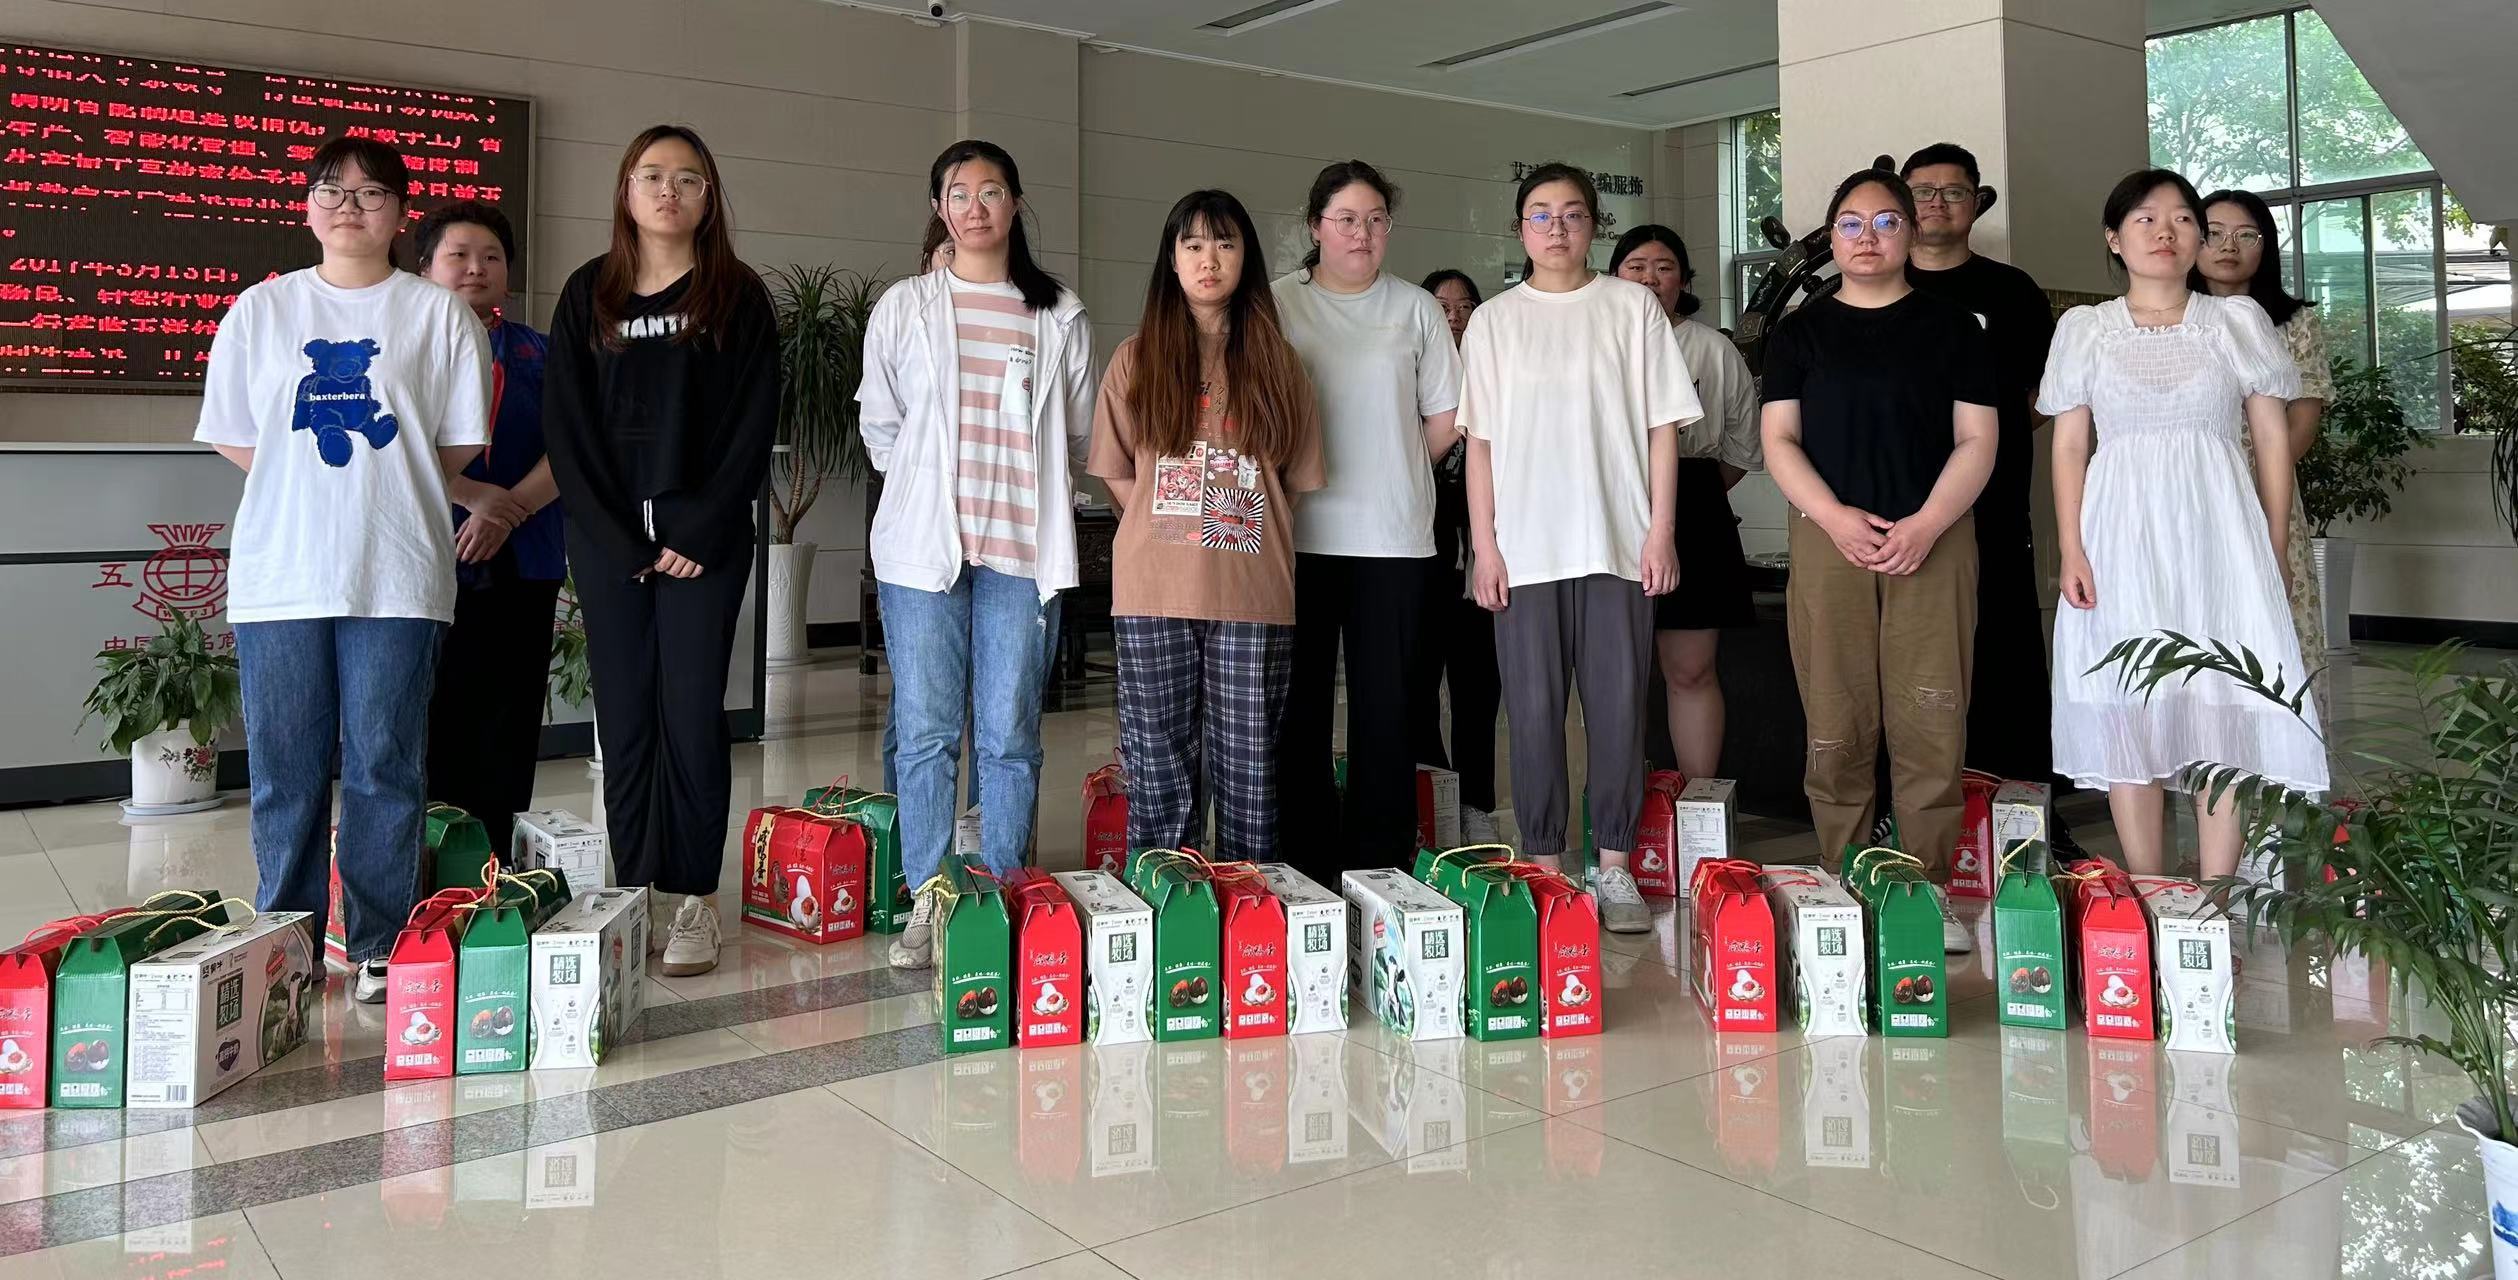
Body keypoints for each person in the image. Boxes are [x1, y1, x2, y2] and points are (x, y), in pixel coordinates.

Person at [195, 137, 492, 1003]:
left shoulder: (437, 315)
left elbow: (455, 445)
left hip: (397, 569)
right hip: (281, 573)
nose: (349, 207)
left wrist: (374, 486)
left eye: (370, 194)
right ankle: (286, 946)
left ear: (400, 214)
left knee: (384, 764)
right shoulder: (263, 309)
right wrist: (309, 486)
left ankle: (377, 945)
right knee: (285, 771)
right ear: (307, 206)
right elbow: (235, 435)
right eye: (331, 190)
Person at [2043, 169, 2327, 879]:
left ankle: (2218, 894)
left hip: (2219, 535)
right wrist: (2072, 547)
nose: (2164, 231)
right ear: (2115, 239)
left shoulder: (2236, 322)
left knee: (2220, 700)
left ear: (2197, 236)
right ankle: (2150, 889)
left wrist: (2272, 541)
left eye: (2180, 218)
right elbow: (2070, 446)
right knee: (2128, 698)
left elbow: (2271, 441)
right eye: (2145, 218)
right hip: (2118, 538)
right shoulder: (2084, 331)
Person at [543, 125, 779, 979]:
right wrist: (618, 539)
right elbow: (567, 426)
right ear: (626, 190)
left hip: (702, 543)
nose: (668, 191)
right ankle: (635, 885)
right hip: (609, 540)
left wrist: (697, 529)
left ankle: (693, 899)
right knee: (626, 717)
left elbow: (753, 422)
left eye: (687, 178)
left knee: (689, 712)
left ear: (709, 196)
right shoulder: (589, 292)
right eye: (652, 176)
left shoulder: (737, 296)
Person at [859, 140, 1094, 971]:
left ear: (1016, 203)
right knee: (925, 732)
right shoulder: (906, 306)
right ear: (939, 208)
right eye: (958, 193)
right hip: (924, 553)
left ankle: (1003, 895)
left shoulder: (1058, 313)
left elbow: (1075, 432)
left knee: (1010, 733)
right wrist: (928, 493)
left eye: (991, 191)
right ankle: (930, 895)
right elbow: (881, 426)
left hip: (1022, 554)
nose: (975, 207)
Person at [1457, 164, 1700, 934]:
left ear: (1595, 224)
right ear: (1520, 229)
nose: (1556, 227)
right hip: (1524, 550)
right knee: (1531, 715)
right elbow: (1480, 445)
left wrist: (1660, 531)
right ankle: (1545, 867)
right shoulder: (1495, 321)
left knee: (1619, 710)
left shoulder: (1631, 308)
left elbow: (1662, 428)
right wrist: (1484, 548)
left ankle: (1617, 866)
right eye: (1540, 214)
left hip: (1615, 544)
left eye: (1571, 214)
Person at [1760, 168, 1997, 953]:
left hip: (1935, 535)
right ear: (1831, 237)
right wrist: (1832, 517)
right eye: (1852, 224)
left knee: (1932, 709)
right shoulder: (1800, 334)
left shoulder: (1955, 327)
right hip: (1829, 537)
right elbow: (1779, 440)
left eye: (1887, 222)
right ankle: (1844, 872)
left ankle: (1926, 885)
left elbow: (1978, 439)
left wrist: (1928, 523)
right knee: (1836, 710)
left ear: (1910, 234)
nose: (1868, 237)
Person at [1087, 189, 1323, 862]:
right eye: (1192, 245)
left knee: (1250, 771)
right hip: (1152, 591)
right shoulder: (1136, 358)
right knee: (1157, 765)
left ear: (1247, 257)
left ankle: (1249, 906)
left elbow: (1290, 483)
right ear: (1172, 259)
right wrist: (1161, 525)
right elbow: (1117, 471)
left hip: (1253, 593)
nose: (1208, 260)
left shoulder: (1280, 362)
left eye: (1224, 244)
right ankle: (1172, 902)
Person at [1270, 160, 1463, 878]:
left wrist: (1397, 464)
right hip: (1296, 534)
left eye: (1377, 219)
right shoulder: (1277, 303)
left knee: (1389, 707)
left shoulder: (1414, 308)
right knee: (1300, 706)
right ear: (1315, 226)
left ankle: (1379, 863)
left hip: (1392, 537)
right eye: (1346, 219)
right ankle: (1306, 859)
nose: (1362, 232)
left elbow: (1445, 416)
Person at [1898, 144, 2067, 832]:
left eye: (1953, 191)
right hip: (1897, 502)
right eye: (1923, 191)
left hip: (1993, 500)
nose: (1937, 203)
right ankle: (1908, 810)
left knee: (2003, 643)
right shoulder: (1877, 282)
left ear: (1977, 203)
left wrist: (1984, 444)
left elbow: (2045, 392)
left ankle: (2021, 809)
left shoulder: (2011, 291)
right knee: (1908, 652)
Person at [418, 200, 563, 859]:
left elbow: (573, 447)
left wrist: (509, 511)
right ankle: (429, 865)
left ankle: (497, 864)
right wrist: (472, 496)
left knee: (509, 715)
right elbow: (390, 441)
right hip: (425, 554)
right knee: (429, 714)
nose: (476, 268)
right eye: (458, 255)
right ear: (426, 267)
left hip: (525, 557)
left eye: (492, 257)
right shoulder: (400, 347)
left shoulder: (542, 352)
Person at [1609, 225, 1759, 780]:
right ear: (1613, 276)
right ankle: (1621, 804)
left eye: (1664, 267)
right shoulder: (1592, 342)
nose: (1650, 278)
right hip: (1607, 504)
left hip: (1696, 510)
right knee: (1614, 673)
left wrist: (1686, 495)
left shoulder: (1712, 349)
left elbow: (1741, 447)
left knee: (1691, 669)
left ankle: (1700, 805)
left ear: (1685, 281)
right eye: (1636, 266)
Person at [2194, 187, 2331, 666]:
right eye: (2214, 233)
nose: (2228, 246)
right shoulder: (2172, 318)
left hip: (2268, 492)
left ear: (2265, 246)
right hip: (2191, 489)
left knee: (2280, 627)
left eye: (2246, 235)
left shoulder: (2294, 323)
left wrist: (2257, 481)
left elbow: (2304, 418)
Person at [1409, 269, 1502, 842]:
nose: (1454, 317)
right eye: (1442, 307)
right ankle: (1434, 797)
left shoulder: (1493, 373)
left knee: (1478, 686)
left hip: (1481, 553)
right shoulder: (1410, 375)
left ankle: (1476, 804)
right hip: (1420, 548)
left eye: (1465, 306)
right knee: (1417, 681)